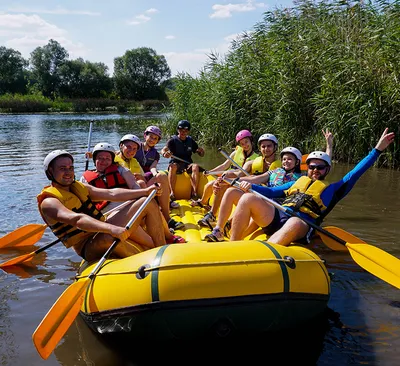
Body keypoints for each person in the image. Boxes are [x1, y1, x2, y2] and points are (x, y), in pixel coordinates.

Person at [229, 128, 395, 246]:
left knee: (295, 222)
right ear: (306, 168)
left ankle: (264, 253)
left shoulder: (335, 189)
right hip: (277, 216)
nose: (315, 170)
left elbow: (356, 172)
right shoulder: (297, 181)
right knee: (248, 197)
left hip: (300, 226)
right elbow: (271, 191)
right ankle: (231, 246)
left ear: (327, 170)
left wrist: (377, 150)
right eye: (312, 167)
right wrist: (249, 186)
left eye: (320, 167)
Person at [37, 150, 166, 262]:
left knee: (147, 201)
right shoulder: (49, 202)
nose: (68, 172)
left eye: (70, 168)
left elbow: (111, 193)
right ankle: (144, 261)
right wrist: (111, 228)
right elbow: (78, 220)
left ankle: (162, 250)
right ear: (50, 172)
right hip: (87, 246)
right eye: (62, 168)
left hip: (100, 231)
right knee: (109, 237)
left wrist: (144, 192)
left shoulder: (78, 187)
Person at [81, 143, 185, 244]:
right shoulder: (85, 179)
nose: (104, 161)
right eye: (100, 158)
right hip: (108, 216)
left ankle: (168, 236)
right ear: (94, 159)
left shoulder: (121, 170)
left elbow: (134, 186)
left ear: (112, 160)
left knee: (148, 202)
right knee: (150, 242)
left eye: (107, 158)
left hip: (128, 207)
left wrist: (140, 195)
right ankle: (157, 244)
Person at [204, 146, 303, 241]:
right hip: (262, 201)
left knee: (248, 198)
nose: (286, 161)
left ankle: (233, 236)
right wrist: (230, 181)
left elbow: (272, 192)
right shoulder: (275, 171)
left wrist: (251, 186)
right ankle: (218, 230)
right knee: (231, 192)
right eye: (284, 159)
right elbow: (255, 179)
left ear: (297, 162)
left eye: (289, 159)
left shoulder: (298, 180)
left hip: (275, 208)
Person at [197, 133, 279, 227]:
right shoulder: (251, 163)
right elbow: (237, 174)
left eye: (269, 146)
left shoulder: (281, 167)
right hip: (252, 193)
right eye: (263, 146)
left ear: (275, 147)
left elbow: (257, 179)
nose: (266, 149)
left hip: (267, 200)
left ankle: (229, 222)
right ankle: (213, 216)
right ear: (260, 148)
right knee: (227, 182)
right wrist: (223, 179)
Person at [115, 133, 184, 230]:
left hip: (139, 190)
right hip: (127, 193)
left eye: (134, 149)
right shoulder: (114, 159)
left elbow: (144, 176)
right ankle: (158, 220)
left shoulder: (134, 161)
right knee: (141, 183)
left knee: (162, 176)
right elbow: (104, 156)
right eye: (129, 147)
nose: (131, 151)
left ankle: (166, 217)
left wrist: (141, 177)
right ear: (121, 146)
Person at [190, 129, 258, 210]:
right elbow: (224, 166)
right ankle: (202, 202)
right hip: (226, 178)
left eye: (246, 142)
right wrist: (210, 172)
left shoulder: (256, 158)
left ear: (251, 140)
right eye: (242, 143)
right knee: (209, 185)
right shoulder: (235, 153)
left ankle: (213, 212)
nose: (245, 145)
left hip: (238, 182)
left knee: (218, 186)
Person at [135, 125, 180, 210]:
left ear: (157, 141)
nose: (152, 140)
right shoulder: (136, 147)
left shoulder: (155, 154)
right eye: (150, 137)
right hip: (135, 173)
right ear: (145, 135)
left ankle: (166, 201)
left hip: (147, 175)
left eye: (155, 138)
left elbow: (152, 167)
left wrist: (156, 174)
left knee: (161, 176)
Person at [160, 120, 205, 200]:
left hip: (188, 164)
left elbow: (200, 154)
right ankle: (172, 192)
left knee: (195, 166)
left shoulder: (190, 141)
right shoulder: (172, 140)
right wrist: (164, 154)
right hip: (176, 163)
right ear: (178, 130)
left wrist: (201, 152)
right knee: (172, 167)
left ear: (188, 131)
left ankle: (194, 192)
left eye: (185, 130)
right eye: (181, 130)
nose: (183, 132)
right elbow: (163, 150)